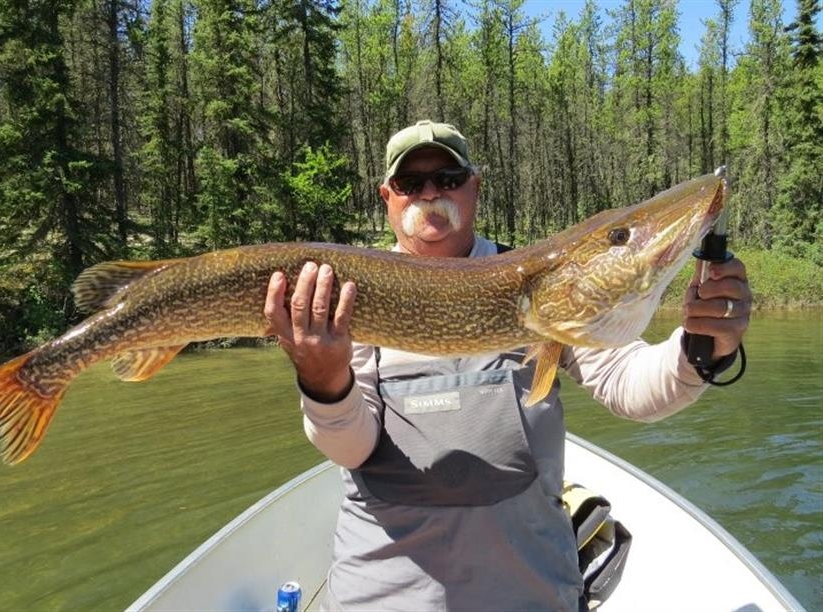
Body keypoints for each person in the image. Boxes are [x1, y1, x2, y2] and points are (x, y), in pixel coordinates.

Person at [263, 120, 752, 610]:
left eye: (449, 178)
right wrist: (323, 379)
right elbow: (352, 449)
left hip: (529, 591)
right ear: (387, 196)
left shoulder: (543, 285)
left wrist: (702, 345)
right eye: (412, 184)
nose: (430, 192)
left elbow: (630, 385)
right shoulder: (346, 293)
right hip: (385, 594)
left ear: (474, 186)